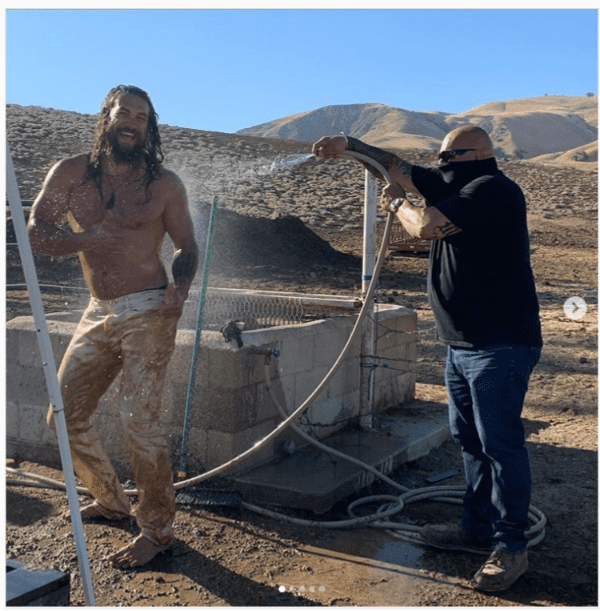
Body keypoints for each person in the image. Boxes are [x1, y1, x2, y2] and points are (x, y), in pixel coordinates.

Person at [312, 126, 542, 592]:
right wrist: (351, 147)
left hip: (500, 344)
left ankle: (510, 547)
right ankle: (474, 529)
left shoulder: (490, 189)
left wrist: (396, 203)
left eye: (448, 157)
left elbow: (428, 225)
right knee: (469, 439)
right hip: (463, 345)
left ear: (476, 154)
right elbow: (395, 167)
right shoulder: (456, 182)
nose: (439, 165)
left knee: (499, 444)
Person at [28, 85, 199, 569]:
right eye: (124, 112)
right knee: (63, 414)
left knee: (137, 421)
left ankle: (157, 530)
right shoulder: (71, 173)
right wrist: (87, 239)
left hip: (148, 308)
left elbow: (186, 246)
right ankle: (110, 500)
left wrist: (179, 292)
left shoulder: (164, 184)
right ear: (106, 117)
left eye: (142, 117)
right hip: (98, 307)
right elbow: (37, 231)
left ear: (150, 127)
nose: (132, 122)